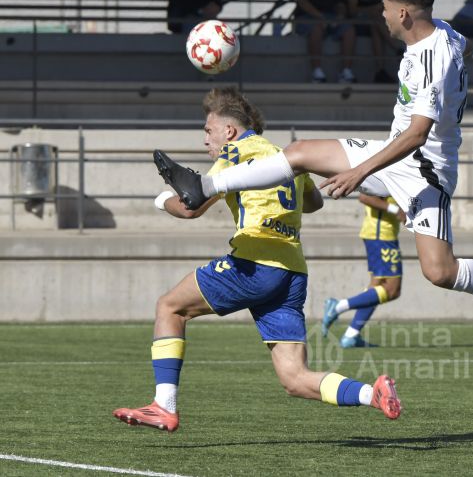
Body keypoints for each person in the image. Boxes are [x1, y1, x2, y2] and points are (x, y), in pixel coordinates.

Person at [153, 0, 473, 356]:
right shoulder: (441, 32)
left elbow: (417, 135)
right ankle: (203, 187)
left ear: (404, 15)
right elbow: (453, 48)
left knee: (440, 272)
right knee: (301, 151)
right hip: (395, 149)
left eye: (385, 8)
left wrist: (361, 173)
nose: (380, 14)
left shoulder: (433, 59)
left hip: (423, 167)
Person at [114, 87, 401, 432]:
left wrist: (161, 200)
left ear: (229, 131)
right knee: (295, 379)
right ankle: (373, 393)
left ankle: (164, 405)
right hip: (291, 272)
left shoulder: (234, 153)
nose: (206, 140)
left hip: (254, 262)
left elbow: (191, 208)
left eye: (208, 131)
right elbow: (314, 203)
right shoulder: (284, 155)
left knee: (169, 307)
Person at [322, 194, 405, 347]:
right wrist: (396, 210)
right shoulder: (383, 172)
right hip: (381, 236)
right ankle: (339, 306)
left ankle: (351, 336)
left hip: (380, 234)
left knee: (375, 289)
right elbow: (365, 197)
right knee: (392, 289)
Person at [294, 0, 356, 84]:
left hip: (331, 18)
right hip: (306, 18)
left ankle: (346, 72)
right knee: (316, 28)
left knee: (349, 30)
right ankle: (317, 72)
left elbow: (341, 3)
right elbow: (303, 2)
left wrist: (340, 16)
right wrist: (320, 17)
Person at [347, 0, 398, 83]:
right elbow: (352, 10)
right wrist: (373, 9)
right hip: (358, 23)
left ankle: (380, 71)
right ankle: (396, 48)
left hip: (378, 23)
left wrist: (378, 9)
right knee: (375, 18)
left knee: (375, 26)